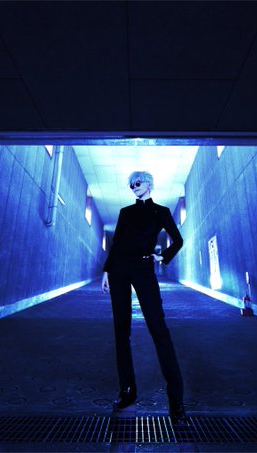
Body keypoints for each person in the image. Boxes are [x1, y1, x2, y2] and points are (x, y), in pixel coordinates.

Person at [101, 171, 186, 421]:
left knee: (158, 328)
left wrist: (163, 256)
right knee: (121, 330)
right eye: (130, 185)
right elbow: (116, 243)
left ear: (148, 184)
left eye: (137, 183)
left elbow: (178, 240)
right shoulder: (125, 212)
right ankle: (127, 391)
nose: (133, 187)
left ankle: (176, 399)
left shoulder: (161, 211)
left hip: (143, 268)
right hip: (119, 269)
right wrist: (106, 271)